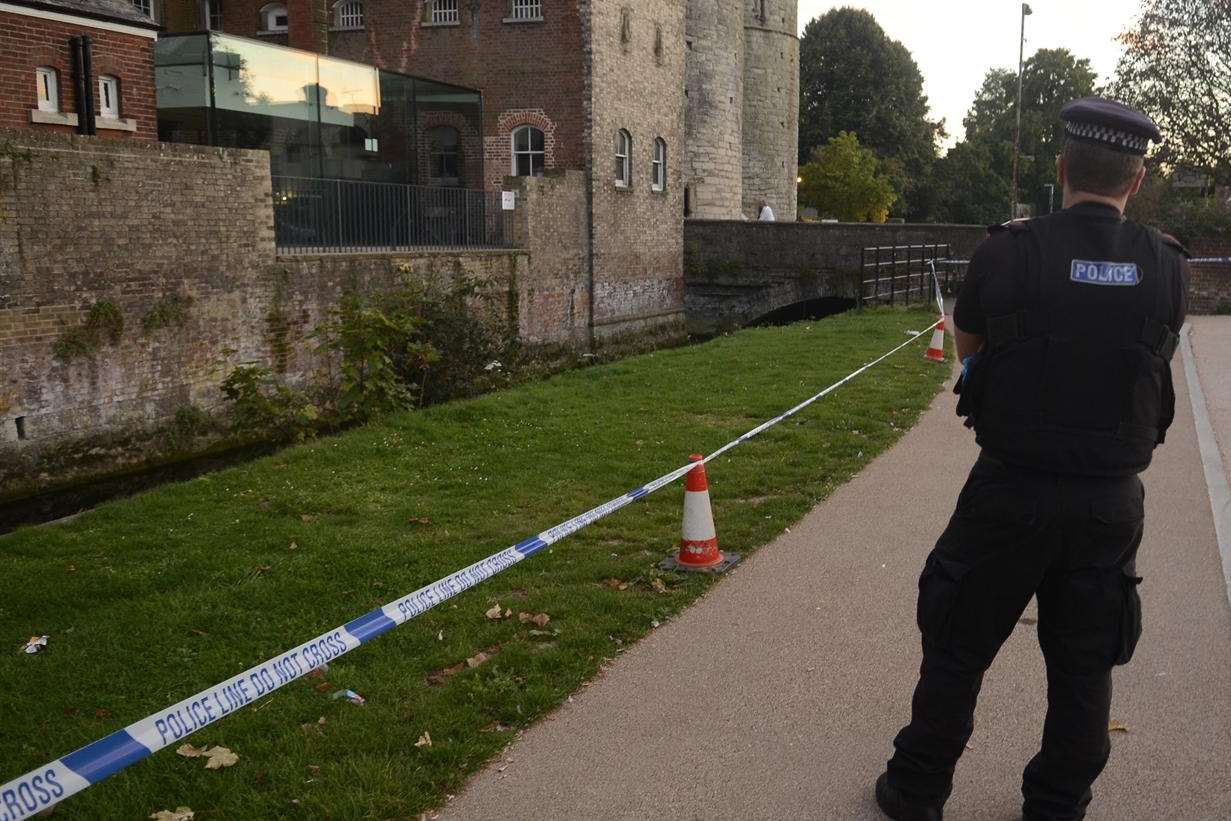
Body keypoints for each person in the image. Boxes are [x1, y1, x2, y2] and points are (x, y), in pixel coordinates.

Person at [876, 97, 1190, 821]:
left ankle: (917, 787)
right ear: (1136, 180)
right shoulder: (1166, 267)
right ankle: (1055, 802)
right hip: (1109, 500)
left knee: (956, 641)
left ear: (1060, 169)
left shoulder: (1004, 251)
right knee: (1084, 662)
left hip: (1008, 488)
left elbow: (970, 355)